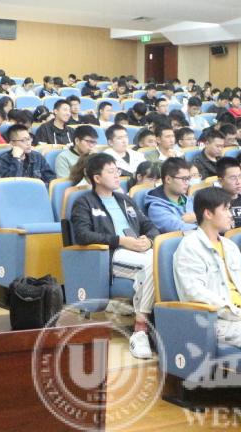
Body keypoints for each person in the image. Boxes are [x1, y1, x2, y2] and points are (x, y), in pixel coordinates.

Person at [174, 186, 241, 406]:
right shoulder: (189, 247)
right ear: (208, 213)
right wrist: (239, 314)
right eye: (226, 209)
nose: (231, 215)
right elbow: (195, 293)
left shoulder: (230, 246)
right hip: (216, 320)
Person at [69, 153, 160, 360]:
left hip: (139, 251)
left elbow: (150, 226)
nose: (117, 175)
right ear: (97, 178)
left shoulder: (125, 200)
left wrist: (149, 240)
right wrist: (120, 241)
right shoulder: (84, 202)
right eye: (111, 172)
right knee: (151, 264)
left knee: (164, 261)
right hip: (111, 255)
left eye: (117, 171)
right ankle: (140, 331)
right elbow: (83, 235)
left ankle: (164, 324)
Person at [143, 156, 197, 233]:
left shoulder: (190, 200)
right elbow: (179, 228)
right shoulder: (156, 208)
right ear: (168, 179)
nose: (187, 183)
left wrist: (196, 217)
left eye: (188, 178)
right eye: (184, 179)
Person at [218, 157, 241, 228]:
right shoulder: (216, 204)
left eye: (240, 177)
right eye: (233, 178)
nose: (238, 182)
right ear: (220, 181)